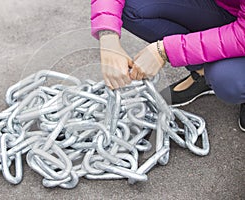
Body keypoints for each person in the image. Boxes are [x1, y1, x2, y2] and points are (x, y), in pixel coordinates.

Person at [90, 0, 245, 132]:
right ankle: (202, 71)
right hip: (226, 7)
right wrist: (108, 36)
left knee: (227, 79)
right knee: (133, 7)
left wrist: (165, 50)